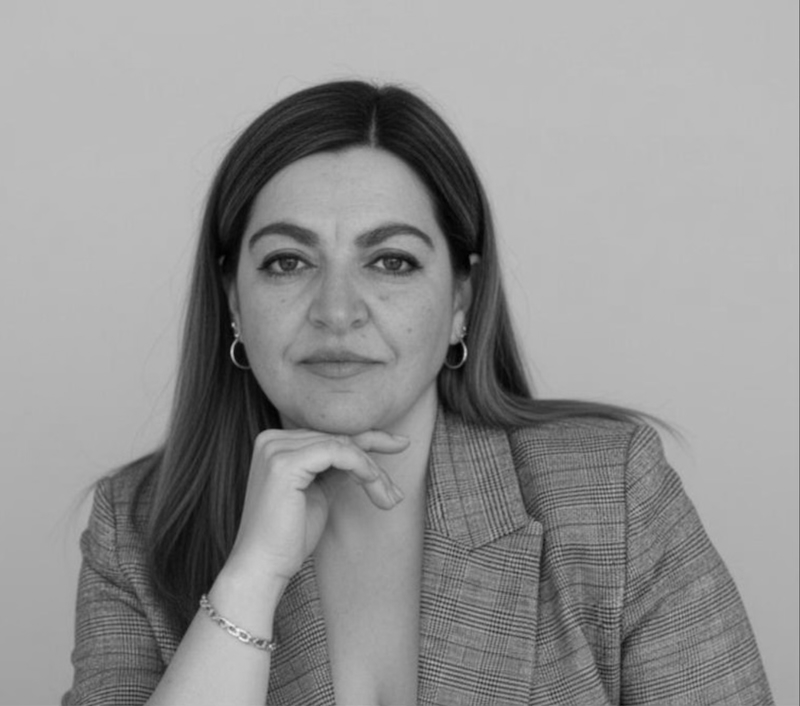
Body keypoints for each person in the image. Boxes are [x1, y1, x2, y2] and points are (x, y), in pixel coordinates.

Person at [62, 80, 773, 706]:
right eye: (287, 262)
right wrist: (249, 583)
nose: (337, 311)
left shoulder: (610, 493)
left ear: (461, 298)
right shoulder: (135, 530)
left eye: (392, 261)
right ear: (233, 302)